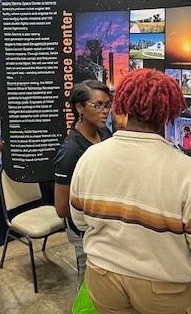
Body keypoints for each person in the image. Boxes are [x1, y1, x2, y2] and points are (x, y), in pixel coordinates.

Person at [70, 68, 191, 314]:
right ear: (169, 111)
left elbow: (79, 221)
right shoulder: (188, 172)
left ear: (123, 105)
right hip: (166, 290)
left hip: (102, 279)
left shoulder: (91, 157)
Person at [53, 80, 112, 281]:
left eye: (107, 105)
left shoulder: (104, 134)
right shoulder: (71, 151)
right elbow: (62, 208)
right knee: (88, 283)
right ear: (79, 107)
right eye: (97, 105)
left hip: (105, 225)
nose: (104, 111)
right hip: (84, 230)